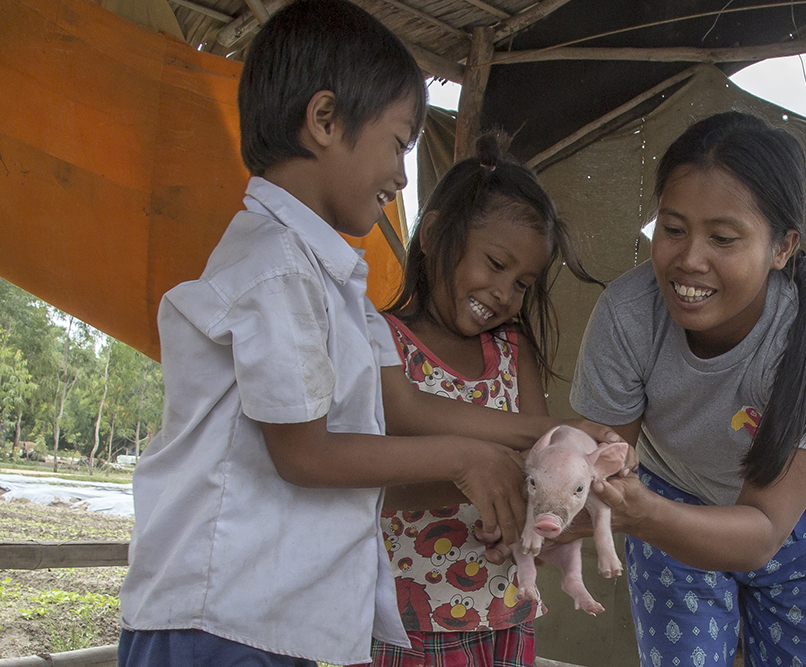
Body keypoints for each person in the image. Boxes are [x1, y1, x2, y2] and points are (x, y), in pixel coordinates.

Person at [117, 3, 615, 666]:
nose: (404, 176)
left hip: (267, 617)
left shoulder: (337, 281)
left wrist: (554, 441)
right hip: (216, 616)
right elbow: (306, 454)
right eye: (401, 142)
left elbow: (401, 413)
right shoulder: (277, 267)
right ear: (325, 120)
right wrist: (464, 460)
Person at [571, 111, 806, 667]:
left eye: (723, 238)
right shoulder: (628, 316)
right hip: (670, 496)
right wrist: (548, 516)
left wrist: (640, 514)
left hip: (802, 524)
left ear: (782, 248)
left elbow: (761, 533)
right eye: (673, 229)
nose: (689, 260)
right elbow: (597, 467)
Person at [361, 134, 602, 667]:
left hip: (505, 607)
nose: (503, 292)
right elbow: (374, 481)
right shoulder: (382, 343)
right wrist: (481, 478)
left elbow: (540, 461)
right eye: (494, 264)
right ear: (432, 234)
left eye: (521, 283)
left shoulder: (512, 349)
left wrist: (522, 511)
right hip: (406, 620)